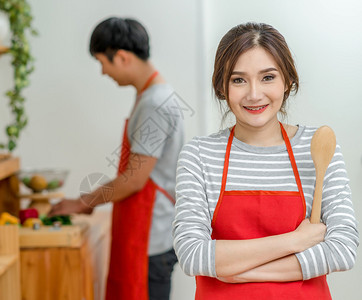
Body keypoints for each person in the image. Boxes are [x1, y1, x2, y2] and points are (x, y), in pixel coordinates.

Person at [173, 22, 359, 299]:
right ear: (222, 88)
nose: (254, 94)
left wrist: (235, 270)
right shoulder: (199, 155)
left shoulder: (318, 147)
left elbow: (343, 249)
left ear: (288, 81)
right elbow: (193, 255)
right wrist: (296, 241)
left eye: (268, 77)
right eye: (238, 80)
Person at [49, 17, 184, 300]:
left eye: (103, 62)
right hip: (144, 232)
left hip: (150, 239)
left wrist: (84, 202)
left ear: (122, 57)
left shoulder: (154, 103)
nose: (102, 72)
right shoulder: (149, 95)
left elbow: (134, 179)